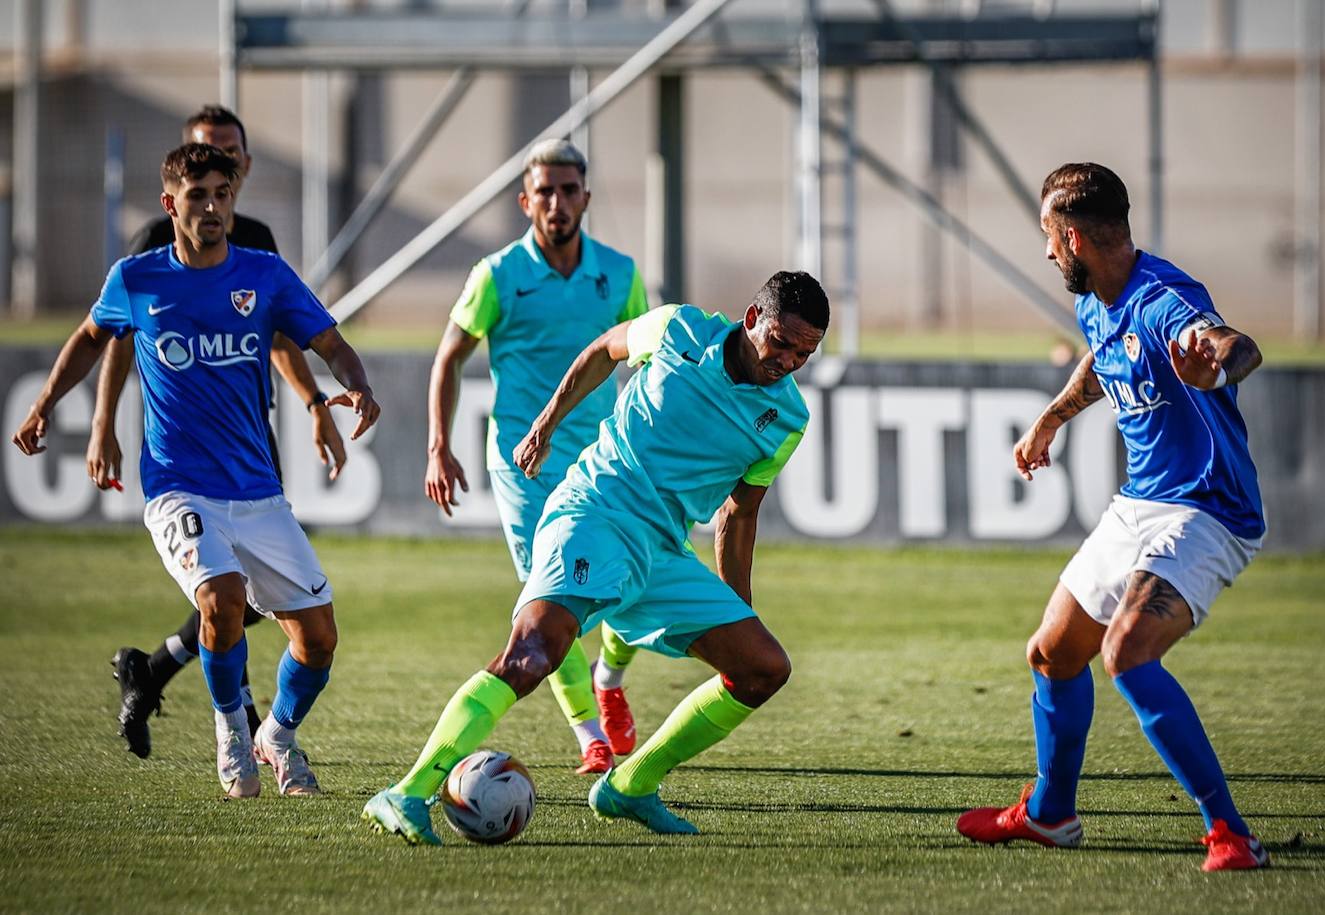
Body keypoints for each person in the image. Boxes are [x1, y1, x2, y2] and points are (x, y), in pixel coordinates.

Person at [364, 271, 827, 845]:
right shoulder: (679, 328)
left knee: (764, 667)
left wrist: (739, 610)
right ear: (753, 319)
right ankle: (407, 791)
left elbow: (740, 511)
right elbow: (603, 350)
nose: (788, 361)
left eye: (804, 353)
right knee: (534, 653)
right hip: (595, 511)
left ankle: (630, 785)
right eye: (782, 342)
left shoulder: (788, 419)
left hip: (660, 550)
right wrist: (547, 422)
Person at [12, 144, 381, 799]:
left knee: (319, 638)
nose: (212, 207)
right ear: (170, 204)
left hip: (258, 491)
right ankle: (232, 734)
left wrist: (356, 385)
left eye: (221, 194)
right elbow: (93, 339)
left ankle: (277, 735)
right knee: (221, 598)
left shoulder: (265, 274)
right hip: (179, 486)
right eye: (197, 196)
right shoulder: (137, 279)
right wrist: (46, 405)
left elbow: (328, 341)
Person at [955, 163, 1269, 872]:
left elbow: (1233, 344)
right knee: (1052, 652)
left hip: (1207, 507)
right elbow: (1104, 358)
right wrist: (1053, 416)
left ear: (1071, 235)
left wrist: (1215, 367)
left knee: (1125, 650)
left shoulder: (1165, 298)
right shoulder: (1096, 294)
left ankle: (1231, 833)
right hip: (1139, 503)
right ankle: (1051, 815)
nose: (1045, 254)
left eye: (1046, 238)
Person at [95, 105, 347, 760]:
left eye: (229, 157)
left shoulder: (256, 243)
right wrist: (103, 423)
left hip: (250, 441)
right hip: (183, 460)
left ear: (244, 168)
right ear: (180, 173)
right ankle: (241, 727)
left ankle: (153, 671)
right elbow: (119, 336)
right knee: (225, 592)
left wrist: (315, 400)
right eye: (206, 155)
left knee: (258, 599)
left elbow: (280, 332)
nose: (219, 169)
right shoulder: (151, 243)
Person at [425, 139, 648, 774]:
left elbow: (648, 356)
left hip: (606, 462)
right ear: (526, 202)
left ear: (585, 197)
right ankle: (590, 737)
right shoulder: (496, 276)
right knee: (549, 600)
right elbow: (449, 358)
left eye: (567, 189)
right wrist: (438, 446)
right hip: (523, 466)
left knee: (635, 585)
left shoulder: (622, 274)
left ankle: (610, 677)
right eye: (543, 192)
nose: (556, 202)